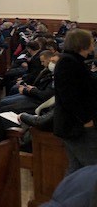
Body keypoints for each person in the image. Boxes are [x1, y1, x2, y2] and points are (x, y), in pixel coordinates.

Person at [53, 29, 97, 174]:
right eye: (91, 41)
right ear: (82, 44)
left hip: (75, 122)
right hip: (76, 124)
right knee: (91, 168)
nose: (93, 43)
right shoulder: (68, 62)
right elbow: (69, 97)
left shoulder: (74, 61)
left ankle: (65, 196)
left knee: (76, 169)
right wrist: (86, 119)